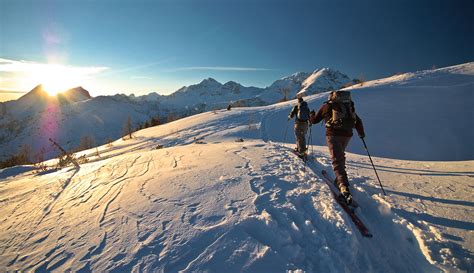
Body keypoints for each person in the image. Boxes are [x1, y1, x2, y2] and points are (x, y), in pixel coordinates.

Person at [309, 90, 365, 204]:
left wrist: (311, 115)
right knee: (340, 156)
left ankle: (344, 188)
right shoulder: (348, 106)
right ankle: (340, 179)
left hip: (333, 135)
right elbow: (358, 121)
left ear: (332, 97)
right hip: (347, 135)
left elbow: (314, 121)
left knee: (337, 160)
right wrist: (361, 134)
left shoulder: (327, 106)